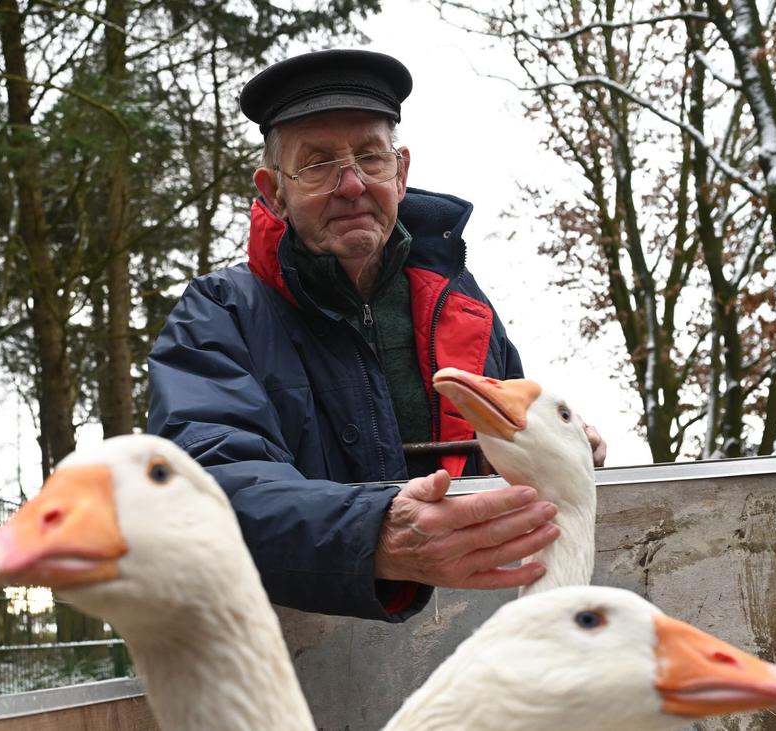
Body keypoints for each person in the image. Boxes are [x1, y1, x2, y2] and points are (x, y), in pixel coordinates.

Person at [146, 49, 606, 621]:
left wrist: (561, 448)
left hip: (475, 638)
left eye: (370, 156)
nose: (351, 184)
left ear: (402, 171)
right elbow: (205, 487)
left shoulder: (463, 306)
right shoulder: (218, 315)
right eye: (316, 164)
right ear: (273, 191)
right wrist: (375, 534)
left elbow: (506, 445)